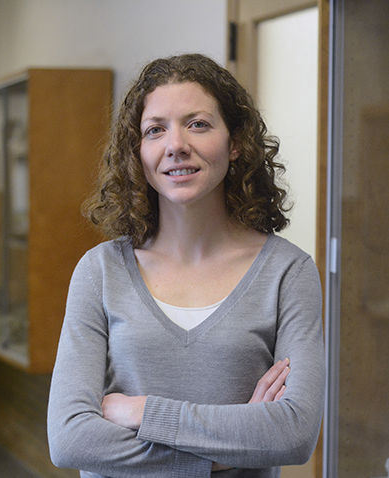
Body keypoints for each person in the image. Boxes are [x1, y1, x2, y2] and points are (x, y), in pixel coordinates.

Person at [47, 54, 325, 478]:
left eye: (198, 124)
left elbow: (293, 433)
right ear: (137, 151)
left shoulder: (288, 272)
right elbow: (70, 439)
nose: (175, 144)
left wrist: (142, 412)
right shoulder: (99, 271)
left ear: (235, 143)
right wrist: (225, 454)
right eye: (155, 129)